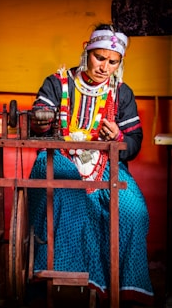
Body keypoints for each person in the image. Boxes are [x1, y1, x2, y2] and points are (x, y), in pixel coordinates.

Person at [27, 23, 154, 307]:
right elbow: (39, 119)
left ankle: (124, 288)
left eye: (113, 62)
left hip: (104, 163)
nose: (104, 67)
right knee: (65, 197)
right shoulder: (57, 83)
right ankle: (57, 283)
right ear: (86, 48)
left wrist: (118, 137)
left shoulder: (121, 93)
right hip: (59, 157)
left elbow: (133, 144)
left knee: (133, 211)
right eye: (99, 57)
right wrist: (42, 120)